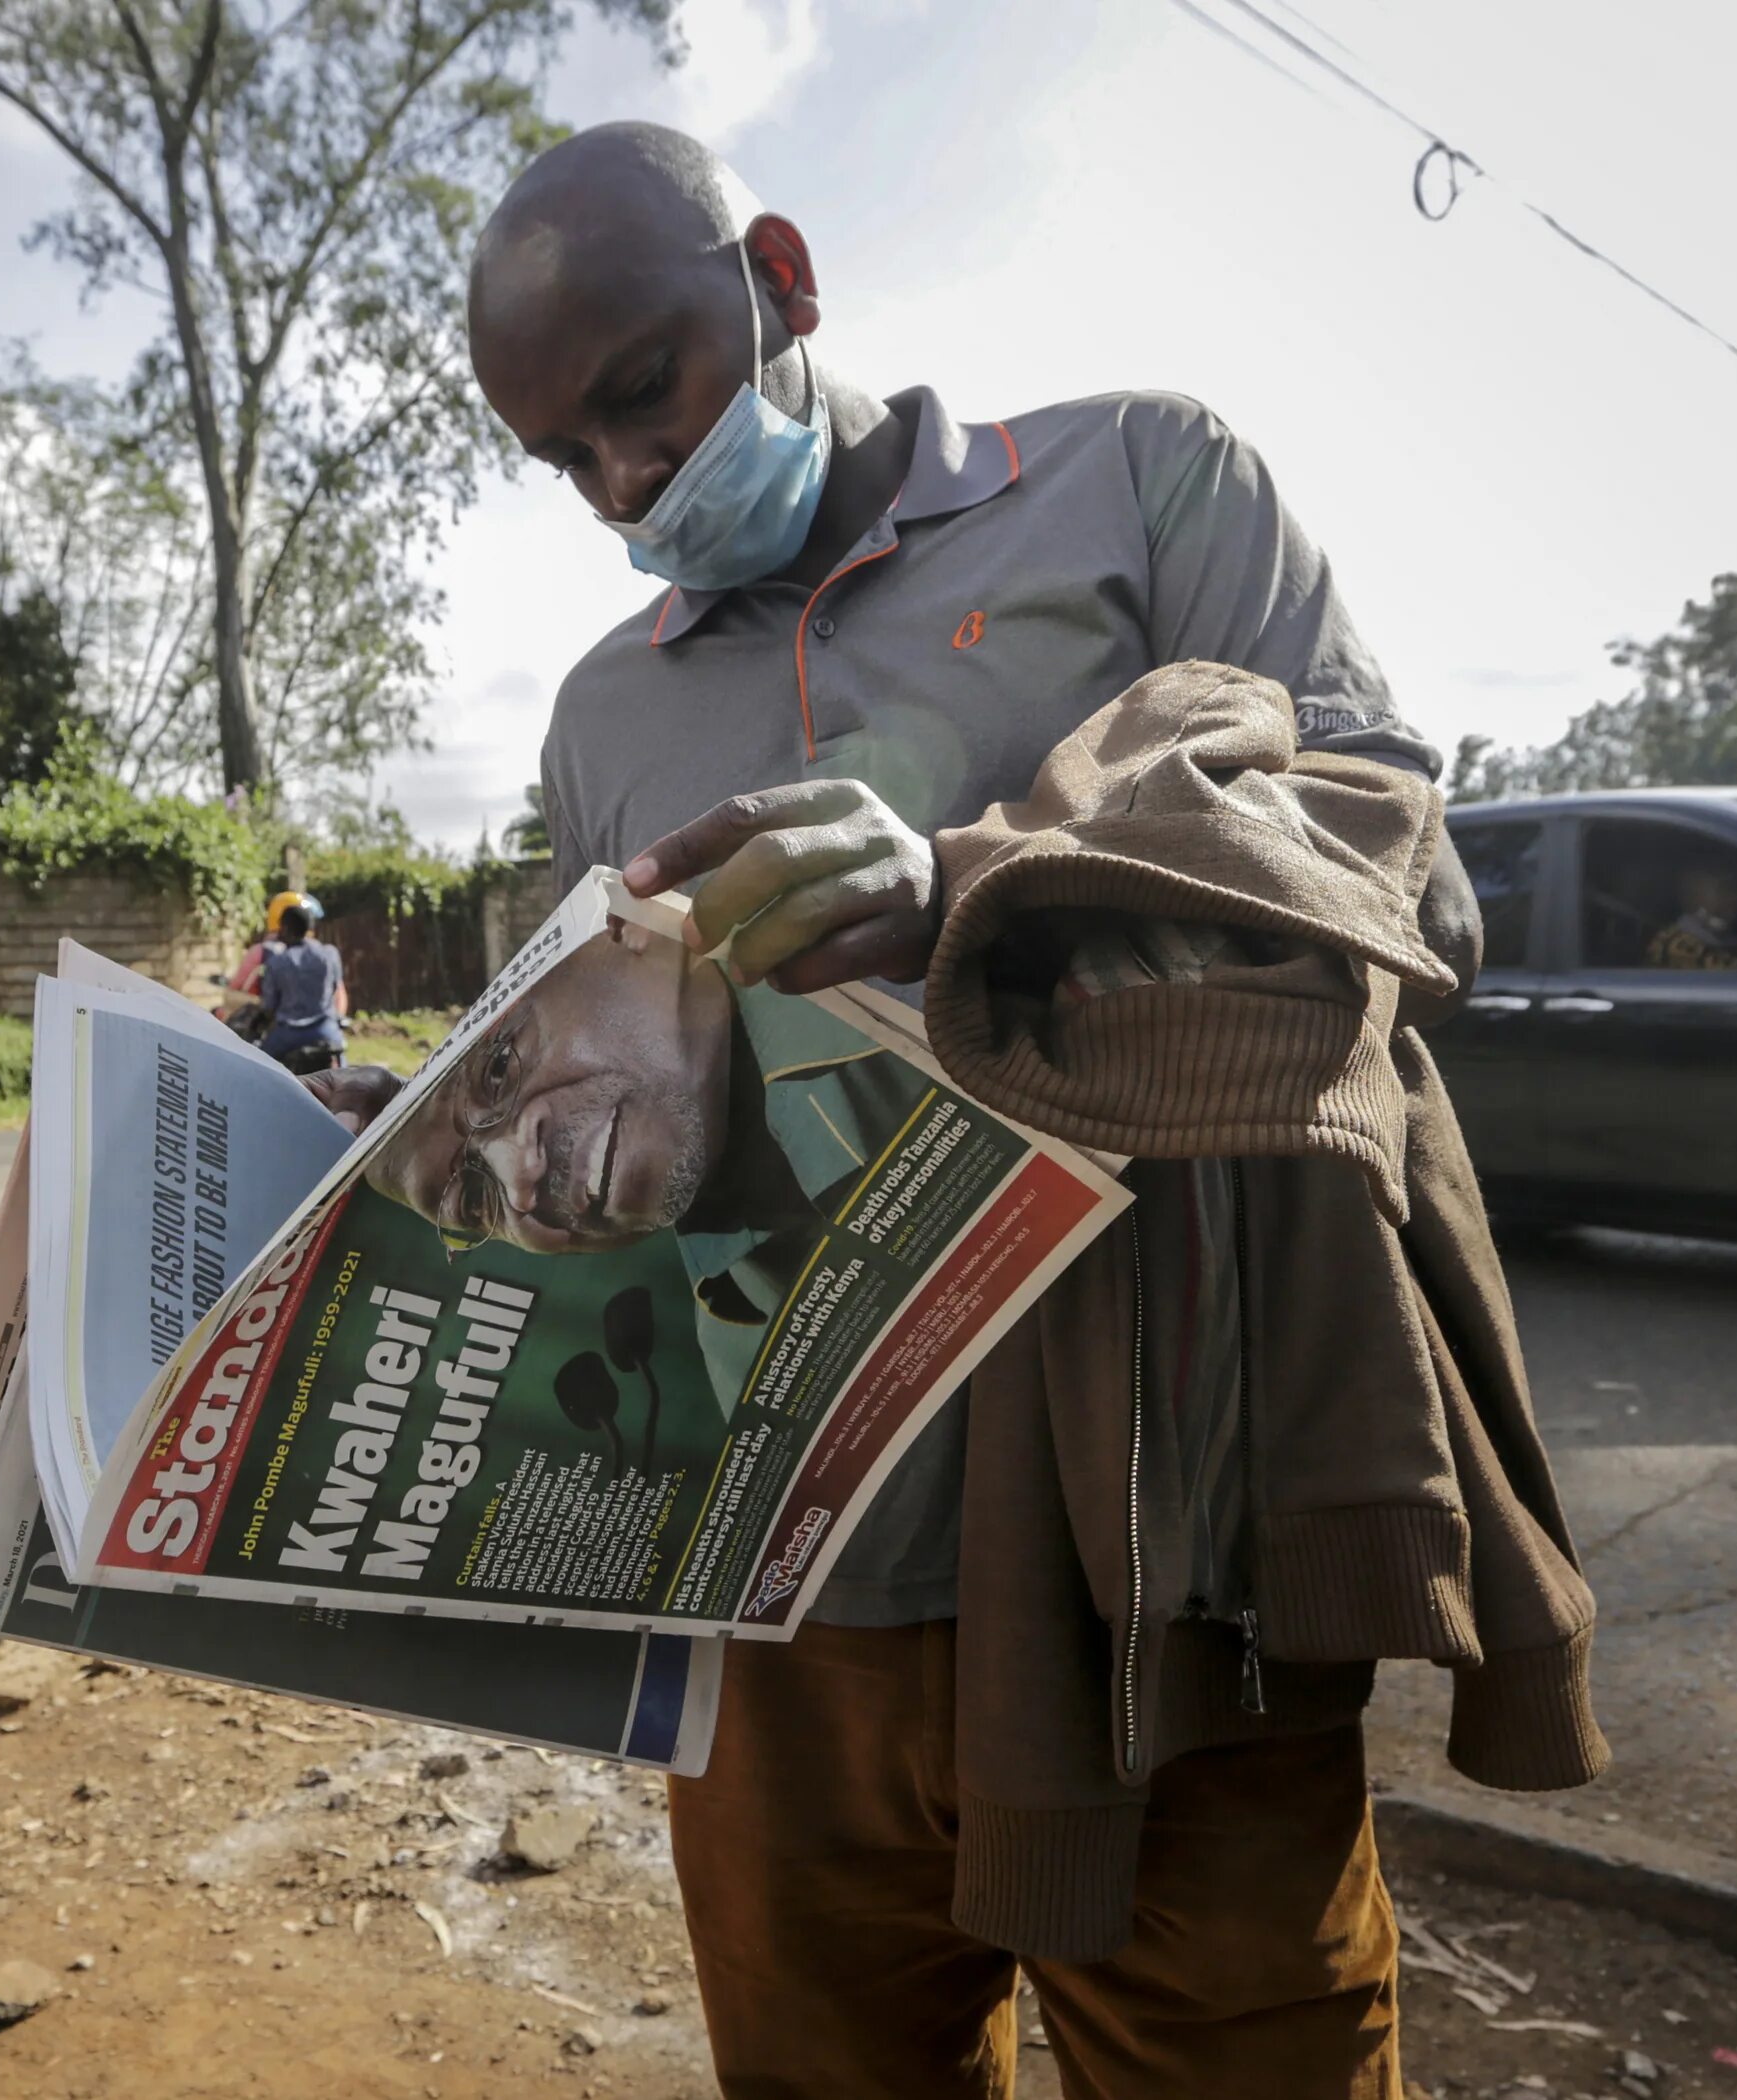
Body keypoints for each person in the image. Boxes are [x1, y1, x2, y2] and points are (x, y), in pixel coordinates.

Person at [308, 121, 1580, 2097]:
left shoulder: (1146, 485)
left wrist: (975, 897)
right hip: (777, 1612)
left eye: (642, 393)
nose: (624, 482)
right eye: (564, 458)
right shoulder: (602, 715)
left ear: (784, 281)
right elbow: (602, 1078)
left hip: (1164, 1569)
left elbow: (1406, 890)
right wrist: (406, 1139)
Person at [359, 911, 937, 1412]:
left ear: (630, 928)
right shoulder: (743, 1362)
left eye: (499, 1071)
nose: (518, 1180)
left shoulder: (900, 934)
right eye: (475, 1201)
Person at [257, 901, 348, 1069]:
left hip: (288, 1035)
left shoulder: (277, 962)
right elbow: (335, 987)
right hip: (325, 1029)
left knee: (258, 1065)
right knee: (342, 1066)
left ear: (284, 928)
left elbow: (269, 1005)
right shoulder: (329, 954)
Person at [1646, 862, 1737, 969]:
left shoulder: (1722, 936)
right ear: (1692, 896)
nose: (1735, 898)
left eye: (1736, 889)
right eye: (1724, 888)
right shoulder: (1677, 947)